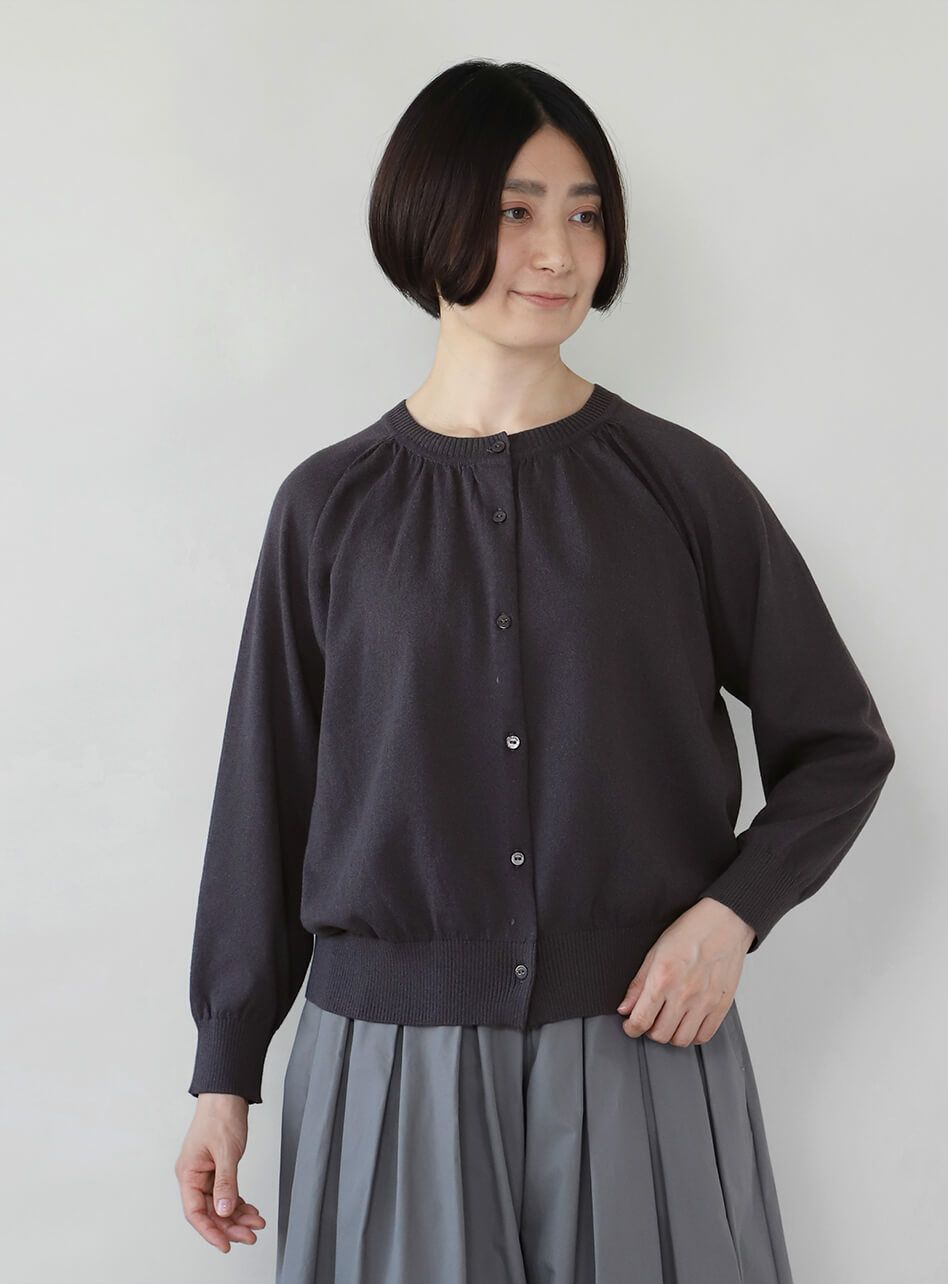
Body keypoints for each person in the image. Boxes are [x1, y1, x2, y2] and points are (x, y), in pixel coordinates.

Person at [174, 59, 895, 1283]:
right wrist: (223, 1071)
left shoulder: (683, 486)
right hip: (386, 1064)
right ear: (428, 217)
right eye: (514, 211)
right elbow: (268, 797)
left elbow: (839, 744)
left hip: (639, 1048)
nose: (557, 252)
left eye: (584, 213)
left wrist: (728, 919)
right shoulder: (328, 507)